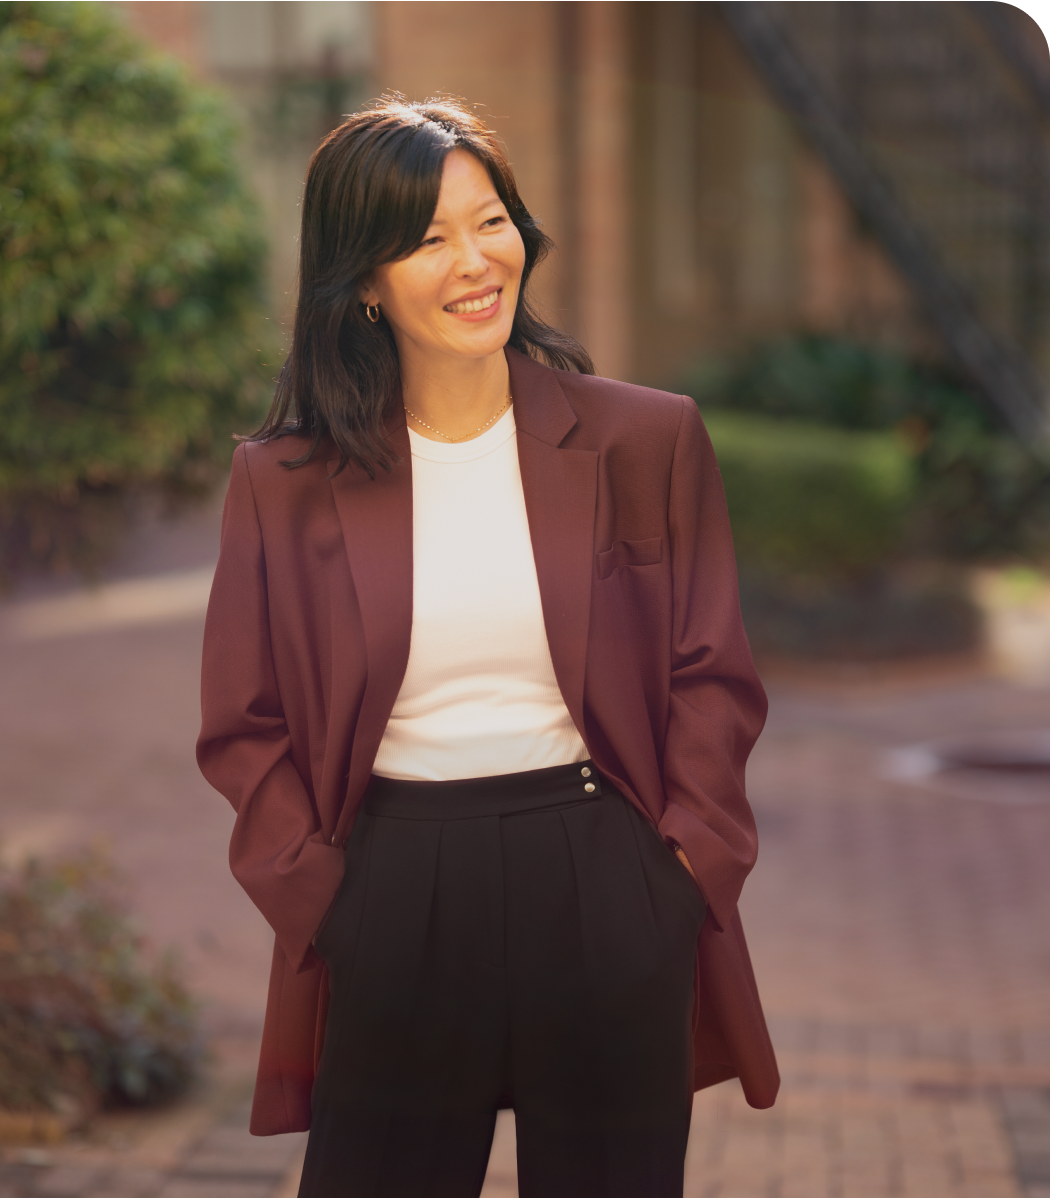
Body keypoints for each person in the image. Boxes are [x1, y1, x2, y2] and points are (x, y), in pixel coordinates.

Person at [197, 96, 778, 1198]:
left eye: (490, 220)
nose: (476, 260)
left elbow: (713, 674)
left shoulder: (645, 439)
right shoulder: (281, 482)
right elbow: (244, 722)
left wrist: (684, 869)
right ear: (362, 282)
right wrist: (324, 900)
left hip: (606, 871)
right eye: (425, 239)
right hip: (392, 881)